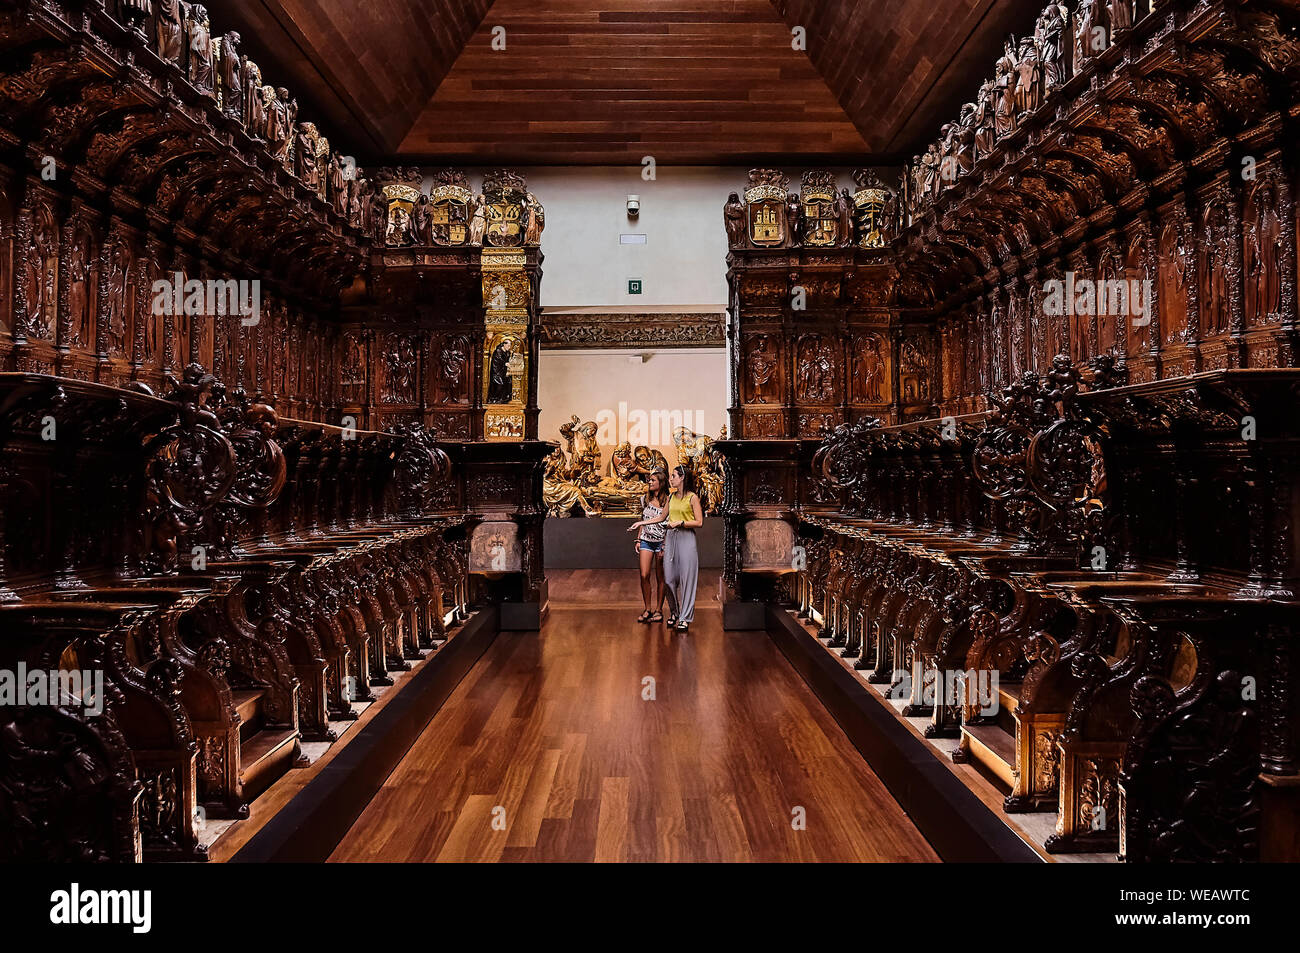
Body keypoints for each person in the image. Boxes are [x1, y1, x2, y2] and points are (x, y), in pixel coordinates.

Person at [662, 465, 704, 632]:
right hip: (671, 538)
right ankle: (675, 612)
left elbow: (699, 522)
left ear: (682, 478)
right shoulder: (671, 497)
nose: (670, 479)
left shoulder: (693, 497)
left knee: (688, 580)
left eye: (673, 476)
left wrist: (680, 523)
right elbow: (661, 516)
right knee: (668, 579)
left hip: (686, 538)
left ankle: (685, 618)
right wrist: (642, 522)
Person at [627, 469, 669, 624]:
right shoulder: (644, 499)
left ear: (661, 482)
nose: (649, 482)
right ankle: (647, 608)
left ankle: (658, 609)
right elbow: (642, 519)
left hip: (661, 541)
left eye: (652, 480)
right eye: (649, 480)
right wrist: (638, 540)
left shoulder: (669, 500)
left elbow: (667, 523)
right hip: (646, 540)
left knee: (660, 577)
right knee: (644, 575)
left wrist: (665, 544)